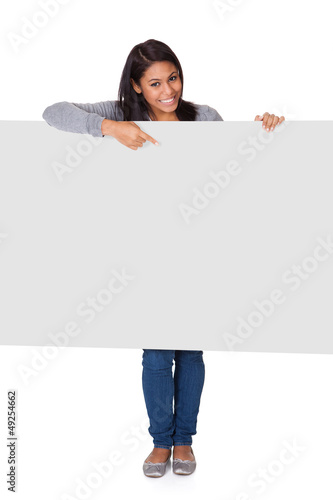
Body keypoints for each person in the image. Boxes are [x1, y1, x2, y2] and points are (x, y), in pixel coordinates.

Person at [42, 38, 285, 478]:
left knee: (190, 353)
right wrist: (109, 129)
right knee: (156, 355)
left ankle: (184, 442)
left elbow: (238, 172)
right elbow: (53, 112)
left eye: (172, 78)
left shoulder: (204, 117)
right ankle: (160, 441)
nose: (167, 90)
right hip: (145, 255)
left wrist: (264, 131)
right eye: (154, 83)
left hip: (198, 255)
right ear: (136, 86)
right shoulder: (120, 113)